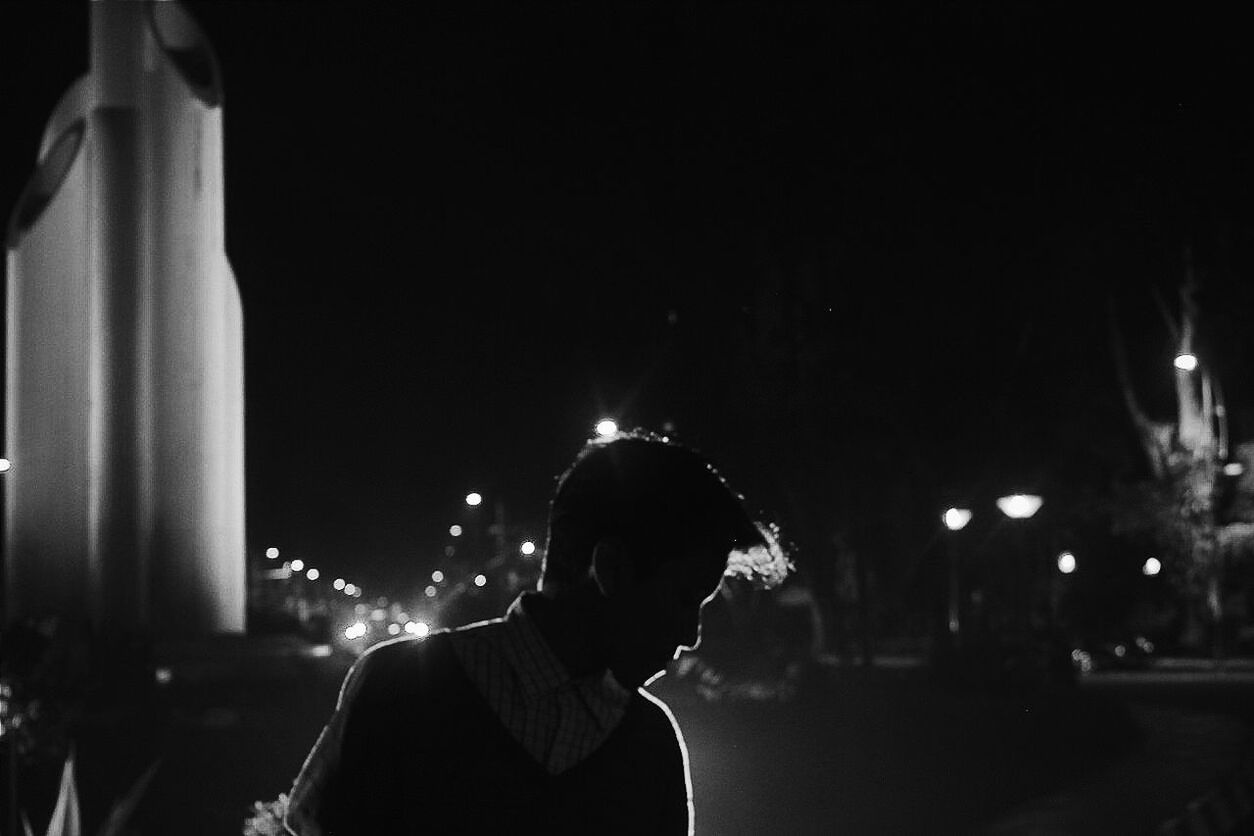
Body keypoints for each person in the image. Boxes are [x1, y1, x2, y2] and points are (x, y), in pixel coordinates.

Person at [284, 431, 788, 835]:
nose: (691, 635)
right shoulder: (401, 688)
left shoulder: (652, 744)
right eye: (683, 599)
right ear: (610, 569)